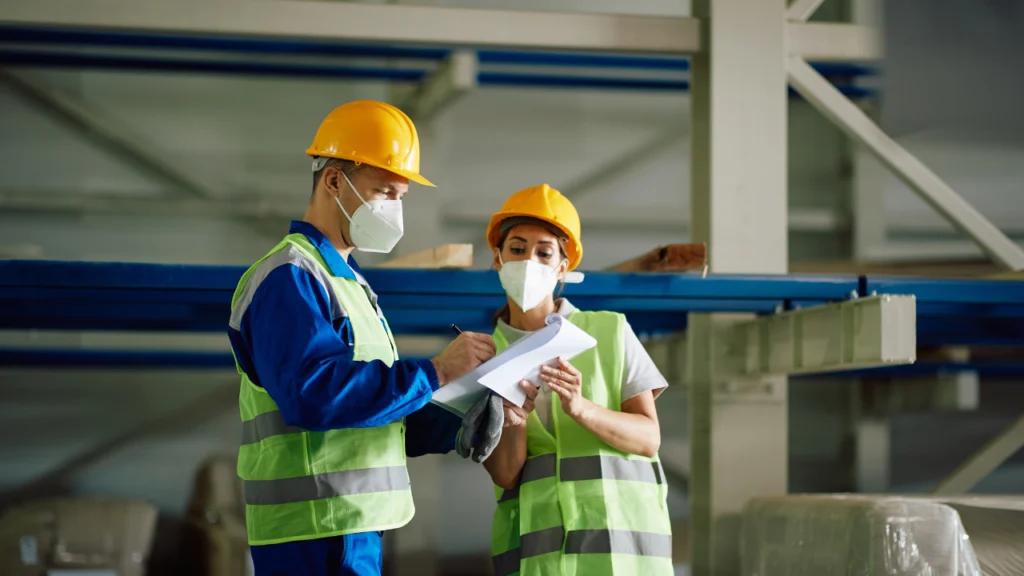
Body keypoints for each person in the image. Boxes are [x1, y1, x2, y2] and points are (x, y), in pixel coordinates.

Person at [226, 100, 498, 576]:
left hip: (348, 527)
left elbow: (377, 418)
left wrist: (468, 412)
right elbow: (314, 396)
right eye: (384, 191)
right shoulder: (289, 277)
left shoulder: (350, 284)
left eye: (400, 196)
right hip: (314, 531)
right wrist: (436, 371)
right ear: (333, 180)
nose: (394, 208)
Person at [482, 184, 674, 576]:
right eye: (517, 249)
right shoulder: (485, 357)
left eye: (544, 252)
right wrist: (515, 421)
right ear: (498, 259)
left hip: (622, 556)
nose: (528, 261)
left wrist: (581, 408)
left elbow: (648, 438)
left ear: (563, 267)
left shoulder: (611, 331)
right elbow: (505, 474)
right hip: (541, 556)